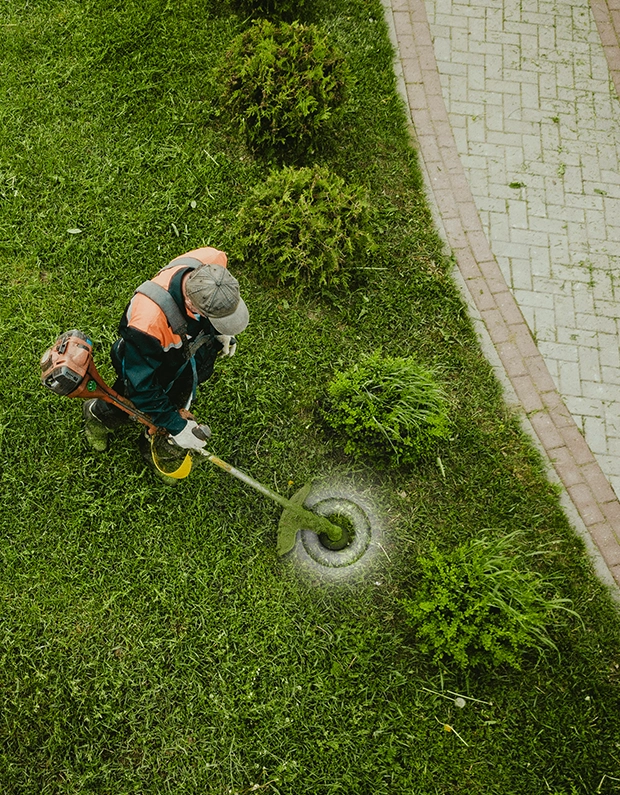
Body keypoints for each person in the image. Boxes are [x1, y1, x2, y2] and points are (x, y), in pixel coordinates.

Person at [82, 247, 249, 476]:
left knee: (175, 400)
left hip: (186, 356)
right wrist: (178, 426)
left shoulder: (213, 261)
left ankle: (155, 439)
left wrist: (219, 331)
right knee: (130, 402)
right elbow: (142, 385)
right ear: (191, 304)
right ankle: (98, 417)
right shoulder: (148, 322)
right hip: (147, 360)